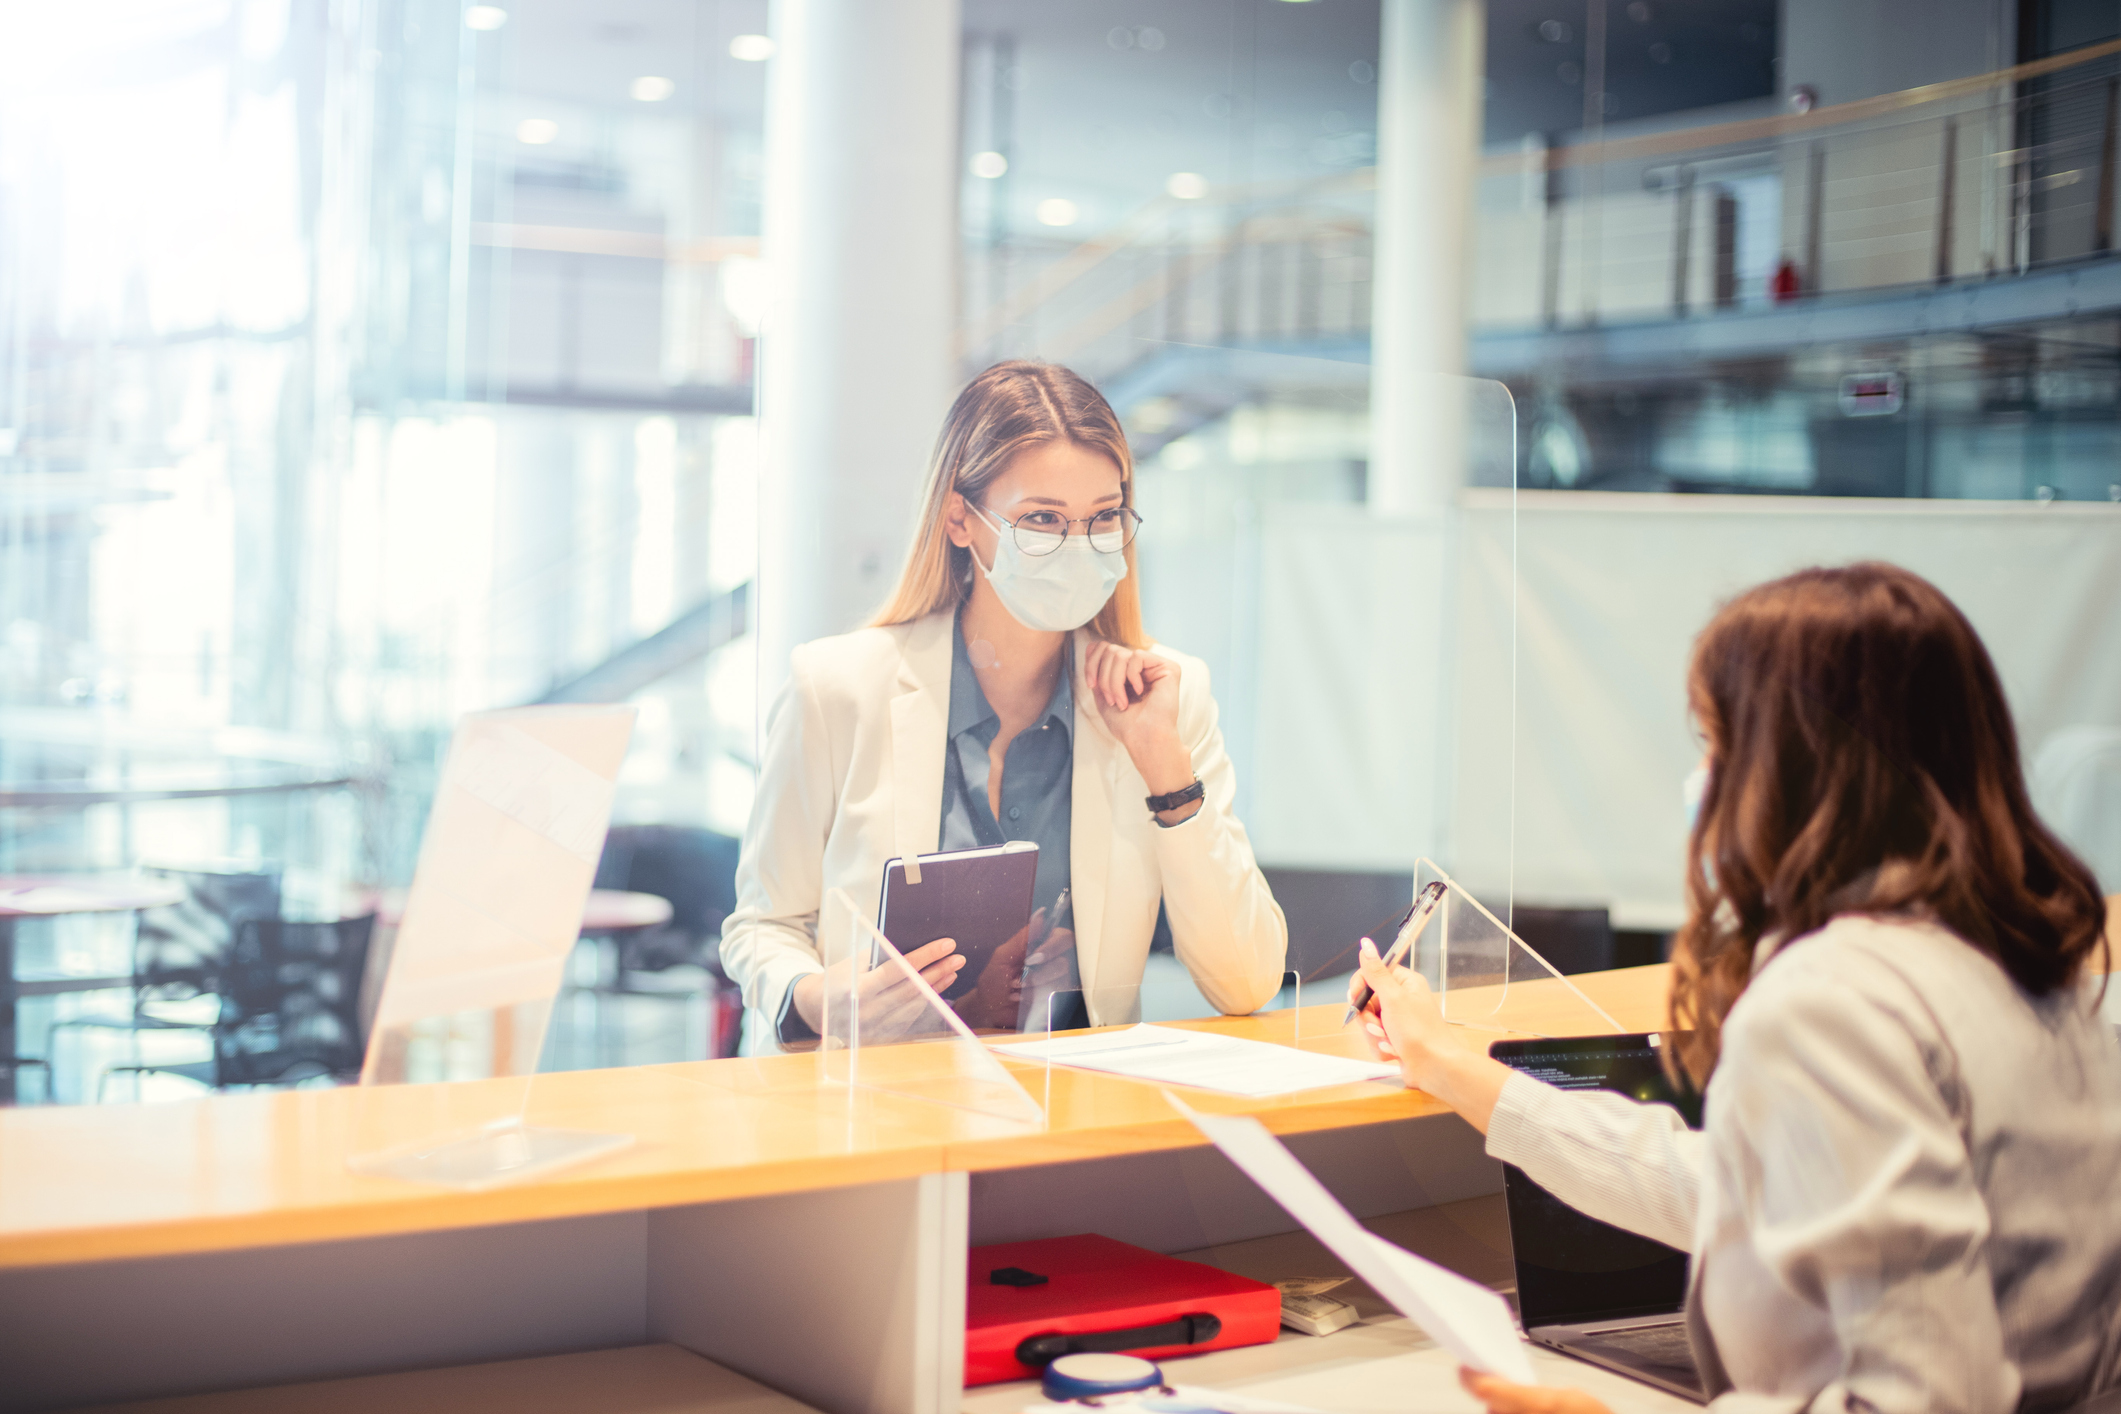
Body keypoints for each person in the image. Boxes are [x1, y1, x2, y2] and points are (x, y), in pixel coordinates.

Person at [1351, 562, 2121, 1412]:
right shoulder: (2037, 970)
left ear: (1795, 770)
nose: (1701, 781)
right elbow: (1740, 1192)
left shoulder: (1833, 1000)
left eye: (1716, 744)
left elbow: (1922, 1398)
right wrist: (1452, 1066)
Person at [720, 360, 1288, 1054]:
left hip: (1074, 1119)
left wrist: (1165, 769)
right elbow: (762, 925)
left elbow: (1247, 981)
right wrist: (817, 997)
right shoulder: (838, 687)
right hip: (877, 1108)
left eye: (1103, 517)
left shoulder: (1167, 696)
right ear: (960, 519)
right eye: (1041, 520)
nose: (1077, 546)